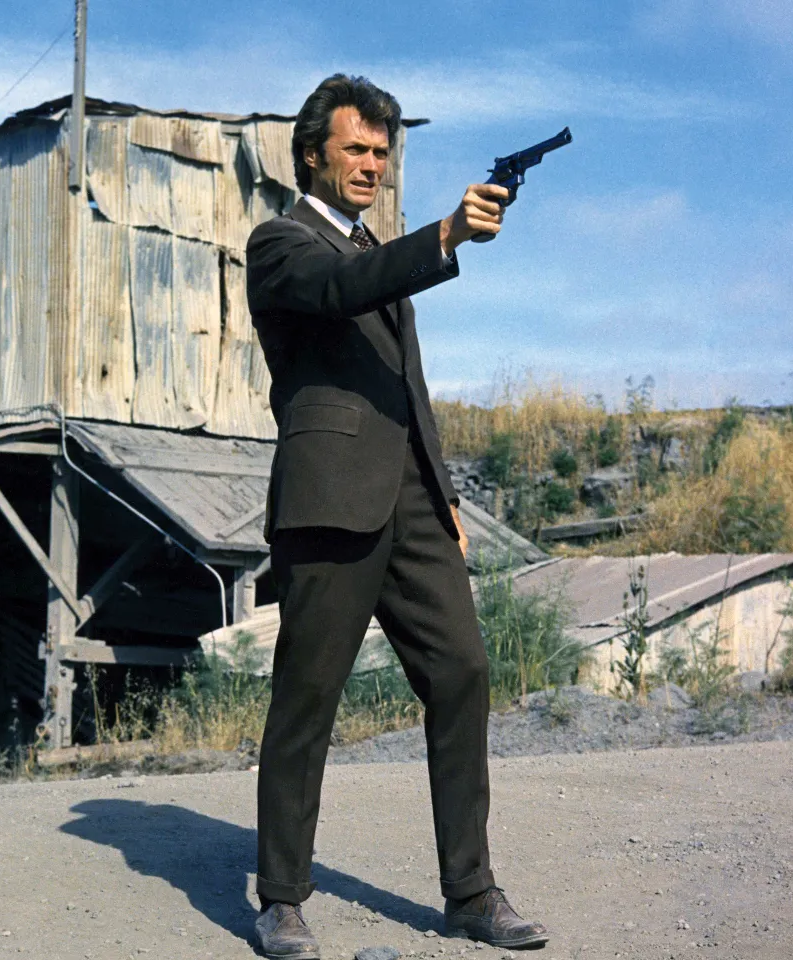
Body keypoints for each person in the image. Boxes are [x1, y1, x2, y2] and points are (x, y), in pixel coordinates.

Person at [245, 74, 549, 960]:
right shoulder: (281, 243)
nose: (373, 164)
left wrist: (444, 496)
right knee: (307, 701)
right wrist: (448, 234)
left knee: (462, 675)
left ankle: (471, 892)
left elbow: (408, 389)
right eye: (356, 149)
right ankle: (282, 900)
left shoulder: (379, 254)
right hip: (329, 505)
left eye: (383, 152)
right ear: (313, 155)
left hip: (415, 505)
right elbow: (343, 288)